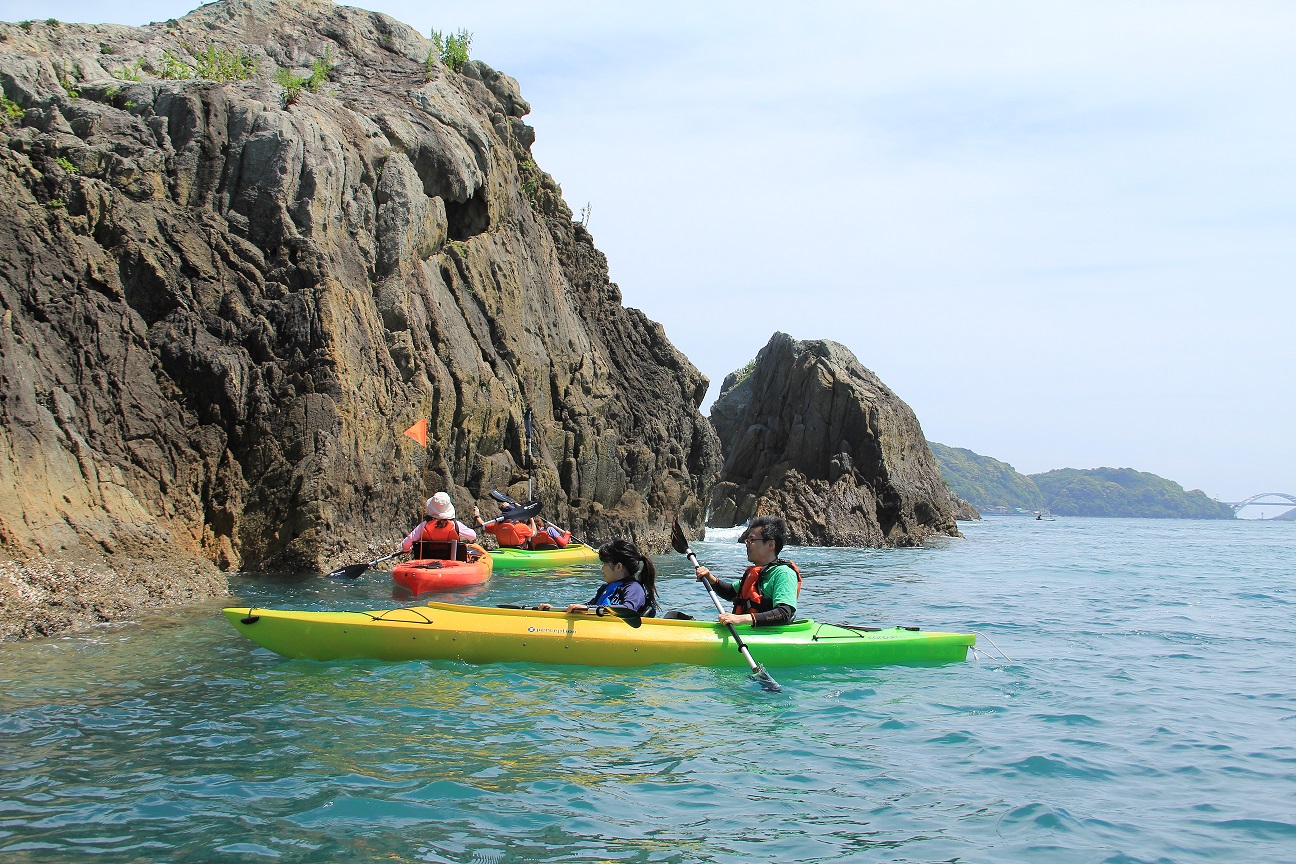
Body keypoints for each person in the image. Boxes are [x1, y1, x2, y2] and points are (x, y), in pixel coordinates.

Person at [694, 515, 801, 627]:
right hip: (748, 632)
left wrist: (741, 619)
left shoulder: (783, 573)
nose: (747, 544)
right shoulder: (757, 573)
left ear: (771, 545)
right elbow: (730, 592)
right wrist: (710, 578)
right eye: (747, 540)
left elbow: (784, 613)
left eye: (752, 540)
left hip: (769, 635)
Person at [536, 538, 658, 617]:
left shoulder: (634, 588)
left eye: (605, 563)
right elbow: (585, 607)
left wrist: (589, 608)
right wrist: (555, 610)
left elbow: (629, 609)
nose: (602, 569)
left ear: (619, 567)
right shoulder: (605, 588)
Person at [402, 492, 477, 559]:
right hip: (452, 561)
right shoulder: (455, 524)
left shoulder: (424, 525)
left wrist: (407, 549)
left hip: (428, 559)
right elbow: (473, 536)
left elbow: (406, 544)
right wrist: (460, 533)